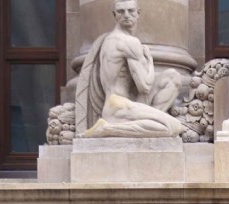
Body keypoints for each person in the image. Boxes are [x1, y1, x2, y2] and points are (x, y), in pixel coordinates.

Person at [76, 0, 188, 138]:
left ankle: (148, 122)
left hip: (118, 105)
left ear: (138, 13)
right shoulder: (128, 42)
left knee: (172, 77)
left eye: (131, 11)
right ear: (114, 15)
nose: (126, 15)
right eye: (121, 11)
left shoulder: (109, 40)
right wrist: (150, 61)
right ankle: (106, 129)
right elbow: (145, 86)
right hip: (119, 107)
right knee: (173, 128)